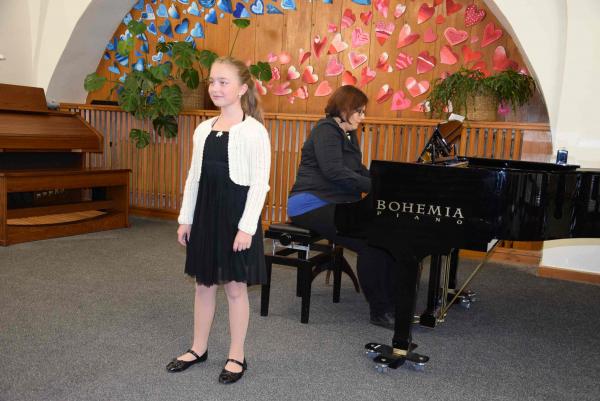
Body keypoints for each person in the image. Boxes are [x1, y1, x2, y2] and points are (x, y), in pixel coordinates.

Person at [166, 57, 271, 384]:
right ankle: (198, 348)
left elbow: (260, 184)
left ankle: (237, 355)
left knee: (236, 288)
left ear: (242, 89)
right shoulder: (203, 129)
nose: (215, 87)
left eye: (223, 82)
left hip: (236, 216)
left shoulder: (254, 131)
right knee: (203, 284)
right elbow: (193, 177)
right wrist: (186, 218)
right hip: (206, 213)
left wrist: (246, 228)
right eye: (212, 81)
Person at [287, 85, 397, 329]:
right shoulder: (326, 130)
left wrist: (385, 184)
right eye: (359, 111)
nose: (362, 117)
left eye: (363, 112)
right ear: (345, 109)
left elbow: (358, 170)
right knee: (370, 242)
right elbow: (334, 171)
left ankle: (394, 300)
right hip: (309, 203)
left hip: (334, 202)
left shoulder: (348, 134)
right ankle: (380, 310)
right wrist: (374, 187)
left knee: (385, 236)